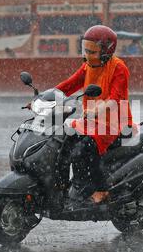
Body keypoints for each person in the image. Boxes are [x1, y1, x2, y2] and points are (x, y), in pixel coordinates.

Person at [54, 25, 133, 207]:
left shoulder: (119, 68)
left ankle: (100, 190)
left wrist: (96, 110)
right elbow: (69, 85)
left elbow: (115, 100)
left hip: (116, 122)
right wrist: (45, 98)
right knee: (63, 141)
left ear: (106, 52)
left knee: (84, 148)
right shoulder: (88, 66)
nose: (87, 55)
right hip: (91, 120)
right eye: (85, 50)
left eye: (92, 51)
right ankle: (61, 186)